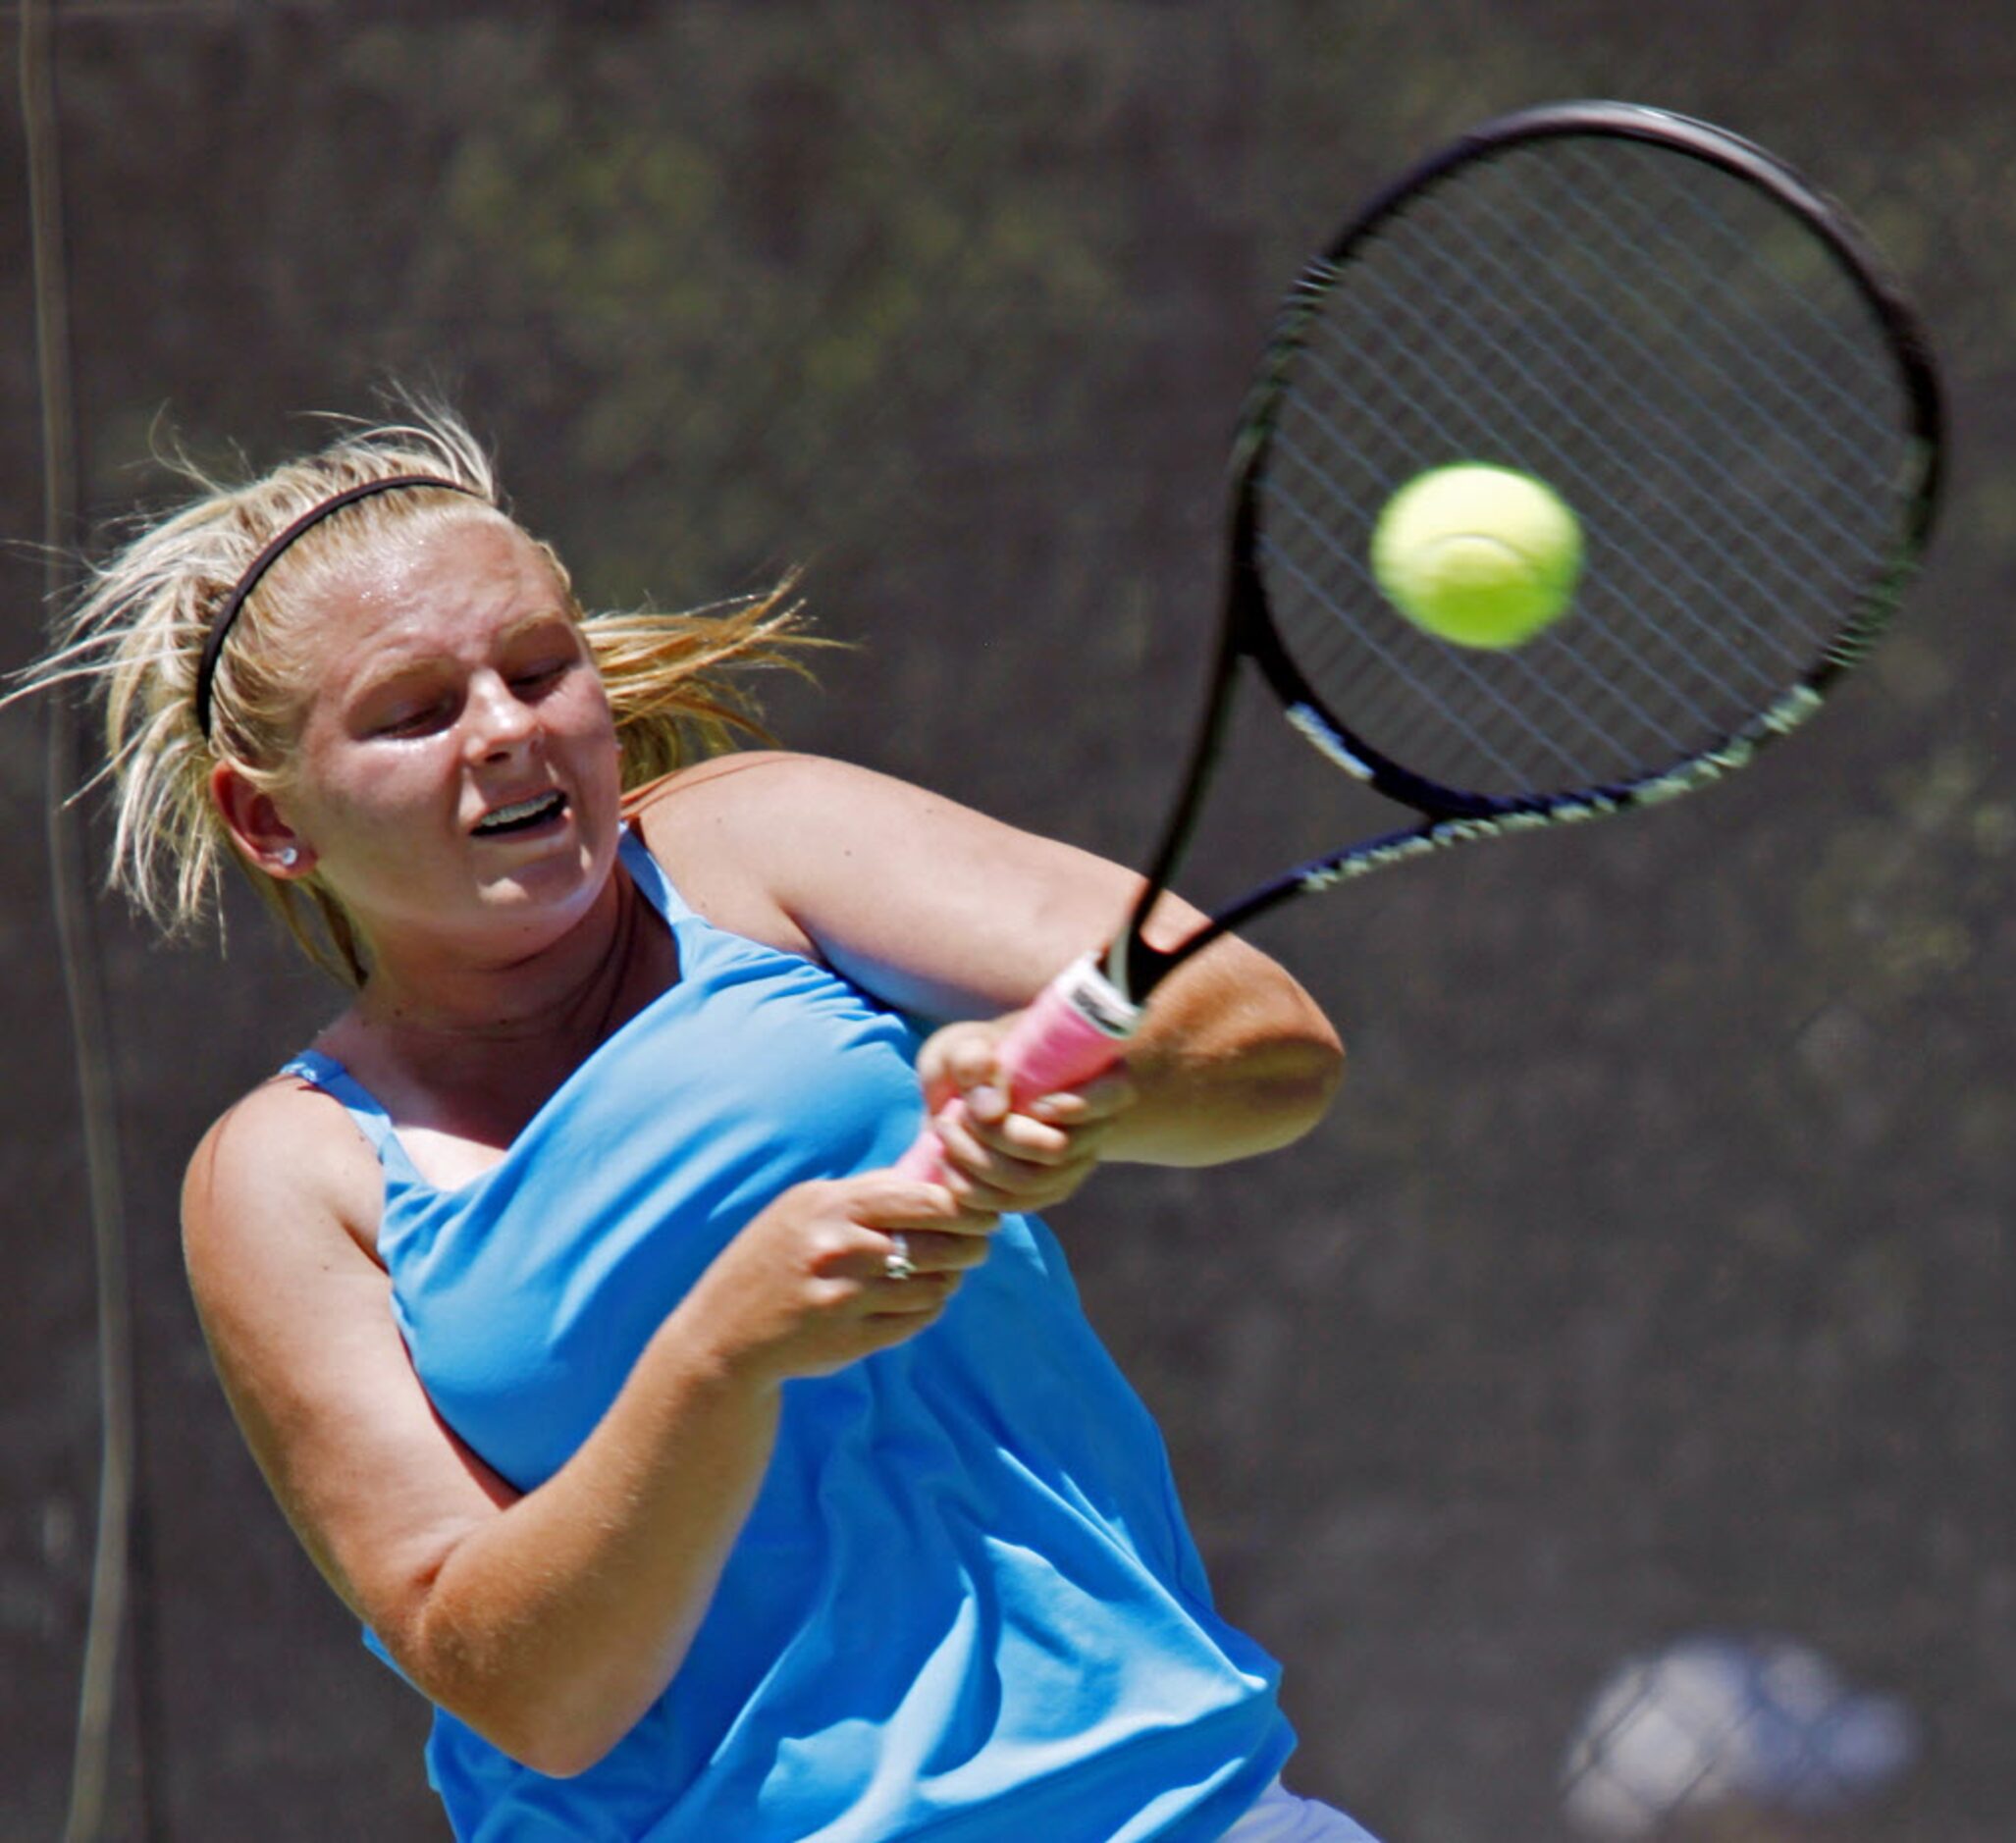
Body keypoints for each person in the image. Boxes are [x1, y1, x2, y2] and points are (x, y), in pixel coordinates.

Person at [29, 404, 1377, 1841]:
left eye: (541, 667)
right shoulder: (281, 1179)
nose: (506, 728)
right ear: (269, 818)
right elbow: (531, 1692)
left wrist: (1087, 1100)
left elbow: (1265, 1042)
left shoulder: (759, 846)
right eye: (417, 710)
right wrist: (721, 1351)